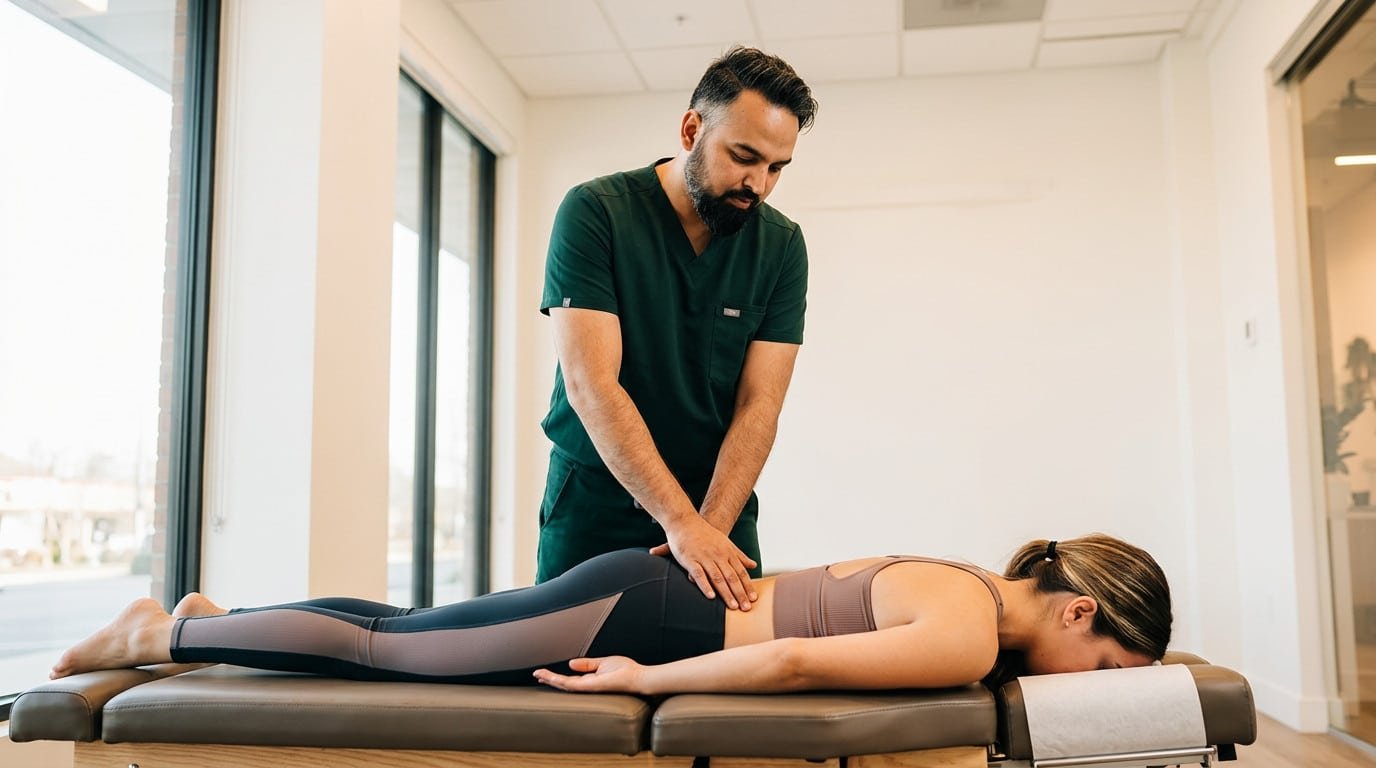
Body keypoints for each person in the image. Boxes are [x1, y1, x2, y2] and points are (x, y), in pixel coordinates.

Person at [51, 534, 1171, 695]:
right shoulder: (973, 632)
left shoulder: (965, 579)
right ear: (1077, 612)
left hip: (648, 593)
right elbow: (786, 663)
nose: (1097, 691)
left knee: (409, 622)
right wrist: (645, 680)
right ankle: (159, 636)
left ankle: (218, 612)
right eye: (1112, 669)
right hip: (643, 616)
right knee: (389, 652)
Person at [537, 46, 818, 611]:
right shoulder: (595, 212)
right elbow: (592, 386)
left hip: (719, 504)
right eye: (744, 156)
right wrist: (678, 524)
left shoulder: (781, 245)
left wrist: (707, 529)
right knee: (570, 685)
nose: (758, 183)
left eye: (776, 168)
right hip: (597, 500)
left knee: (722, 685)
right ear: (692, 129)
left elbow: (759, 404)